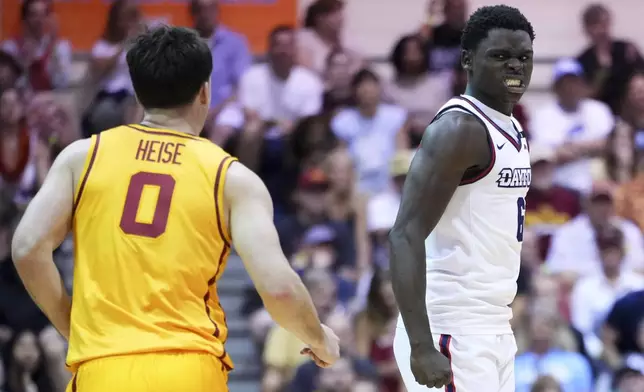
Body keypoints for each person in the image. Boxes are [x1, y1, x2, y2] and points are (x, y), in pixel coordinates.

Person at [10, 25, 339, 392]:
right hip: (189, 369)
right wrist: (319, 338)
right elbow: (278, 288)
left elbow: (26, 249)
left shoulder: (83, 156)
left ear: (137, 91)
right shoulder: (231, 177)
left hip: (102, 369)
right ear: (204, 91)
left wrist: (69, 325)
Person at [389, 5, 535, 392]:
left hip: (493, 326)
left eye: (524, 57)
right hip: (451, 327)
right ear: (468, 60)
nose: (515, 66)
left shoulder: (513, 125)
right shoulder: (459, 128)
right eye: (501, 56)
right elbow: (404, 233)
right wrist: (421, 345)